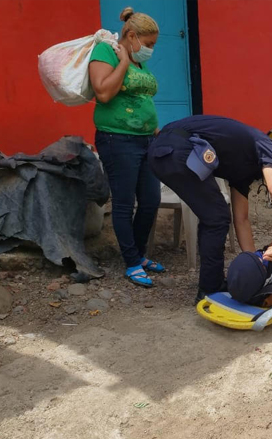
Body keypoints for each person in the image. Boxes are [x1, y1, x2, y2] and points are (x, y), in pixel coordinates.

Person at [147, 116, 272, 301]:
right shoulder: (267, 146)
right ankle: (211, 288)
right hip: (178, 148)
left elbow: (241, 219)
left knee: (214, 216)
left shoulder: (245, 169)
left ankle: (211, 284)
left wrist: (256, 265)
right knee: (217, 217)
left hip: (162, 152)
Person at [88, 7, 164, 287]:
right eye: (149, 43)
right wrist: (122, 61)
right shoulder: (105, 53)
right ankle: (132, 262)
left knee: (151, 201)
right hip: (117, 140)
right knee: (123, 204)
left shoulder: (137, 60)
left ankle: (140, 254)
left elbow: (142, 99)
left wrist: (158, 132)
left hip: (147, 140)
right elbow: (104, 92)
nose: (151, 50)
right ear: (131, 35)